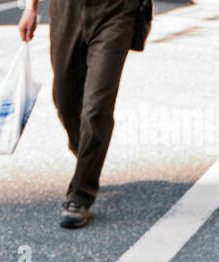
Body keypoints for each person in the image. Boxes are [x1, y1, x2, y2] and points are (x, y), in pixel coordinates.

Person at [19, 0, 139, 228]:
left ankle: (80, 195)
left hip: (115, 12)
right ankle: (86, 156)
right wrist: (30, 8)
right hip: (67, 11)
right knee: (65, 100)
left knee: (97, 107)